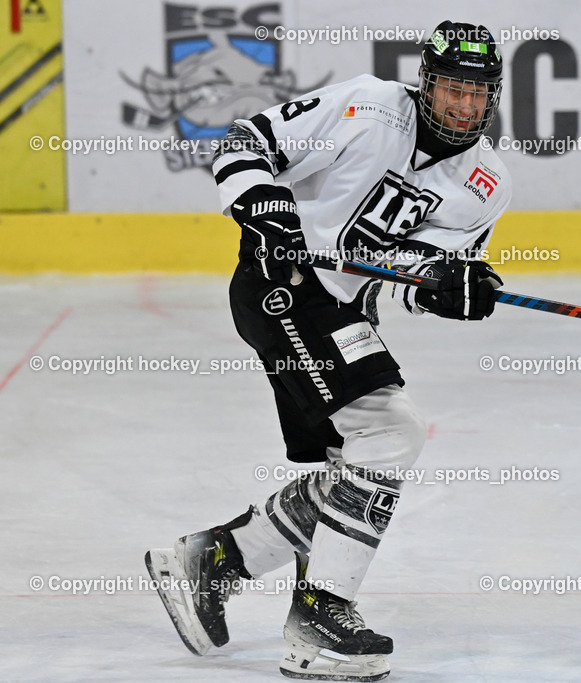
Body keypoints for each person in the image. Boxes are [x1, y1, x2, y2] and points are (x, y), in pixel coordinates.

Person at [145, 20, 510, 681]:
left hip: (342, 309)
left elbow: (415, 273)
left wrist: (451, 285)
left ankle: (214, 560)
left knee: (353, 469)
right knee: (387, 434)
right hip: (280, 287)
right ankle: (321, 610)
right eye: (453, 88)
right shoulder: (367, 106)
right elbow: (246, 143)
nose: (464, 106)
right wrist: (266, 209)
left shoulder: (487, 183)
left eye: (477, 93)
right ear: (427, 84)